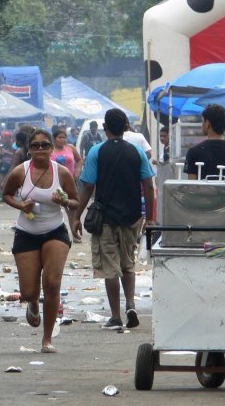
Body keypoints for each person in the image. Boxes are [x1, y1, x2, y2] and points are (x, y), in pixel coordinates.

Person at [74, 109, 155, 331]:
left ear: (105, 128)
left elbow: (88, 185)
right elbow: (149, 186)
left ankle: (116, 316)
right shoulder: (137, 152)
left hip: (106, 219)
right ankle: (131, 304)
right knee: (128, 264)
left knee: (109, 268)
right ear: (126, 126)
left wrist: (76, 216)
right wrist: (150, 217)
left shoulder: (96, 152)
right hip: (132, 218)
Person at [1, 129, 79, 353]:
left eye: (45, 145)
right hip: (26, 233)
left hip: (55, 231)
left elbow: (75, 201)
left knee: (53, 284)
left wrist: (64, 201)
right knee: (28, 292)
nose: (40, 150)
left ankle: (47, 339)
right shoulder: (20, 172)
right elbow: (6, 194)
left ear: (52, 148)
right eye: (35, 146)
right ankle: (33, 303)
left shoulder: (61, 173)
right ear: (29, 149)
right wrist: (21, 205)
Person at [184, 104, 225, 180]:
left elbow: (191, 186)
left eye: (203, 121)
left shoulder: (194, 152)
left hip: (202, 192)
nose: (202, 124)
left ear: (207, 123)